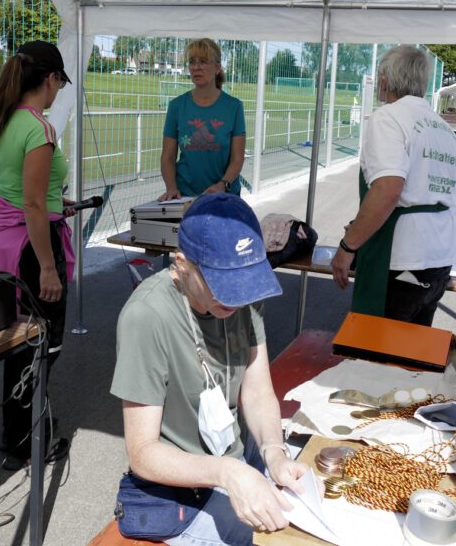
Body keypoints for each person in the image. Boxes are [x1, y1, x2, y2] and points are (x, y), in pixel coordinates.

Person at [111, 193, 308, 545]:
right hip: (184, 489)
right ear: (182, 264)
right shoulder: (147, 316)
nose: (236, 298)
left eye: (244, 282)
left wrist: (274, 452)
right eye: (222, 284)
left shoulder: (243, 297)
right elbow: (143, 453)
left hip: (236, 461)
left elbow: (258, 391)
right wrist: (228, 473)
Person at [0, 40, 74, 471]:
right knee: (41, 344)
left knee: (18, 342)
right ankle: (26, 440)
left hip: (5, 244)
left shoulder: (2, 118)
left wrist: (54, 200)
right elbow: (31, 203)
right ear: (50, 79)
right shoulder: (39, 128)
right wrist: (48, 267)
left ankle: (17, 430)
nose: (57, 92)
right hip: (32, 249)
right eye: (59, 84)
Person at [331, 45, 456, 326]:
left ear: (384, 79)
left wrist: (347, 247)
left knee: (378, 345)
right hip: (440, 255)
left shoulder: (388, 117)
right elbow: (424, 191)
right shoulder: (442, 128)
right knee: (412, 346)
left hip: (401, 256)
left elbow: (389, 189)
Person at [159, 38, 246, 200]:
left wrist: (223, 185)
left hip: (224, 197)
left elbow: (237, 158)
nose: (196, 67)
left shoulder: (234, 107)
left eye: (203, 61)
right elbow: (167, 156)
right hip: (186, 197)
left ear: (217, 68)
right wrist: (171, 187)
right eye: (192, 62)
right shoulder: (176, 106)